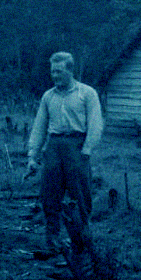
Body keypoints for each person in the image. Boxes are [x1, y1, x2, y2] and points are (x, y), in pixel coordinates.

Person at [27, 51, 104, 253]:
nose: (55, 76)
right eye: (53, 71)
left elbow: (95, 124)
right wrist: (33, 156)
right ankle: (52, 241)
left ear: (70, 71)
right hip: (53, 146)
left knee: (80, 194)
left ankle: (82, 241)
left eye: (59, 72)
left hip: (76, 146)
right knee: (49, 194)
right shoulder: (48, 96)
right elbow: (39, 127)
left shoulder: (86, 93)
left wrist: (87, 149)